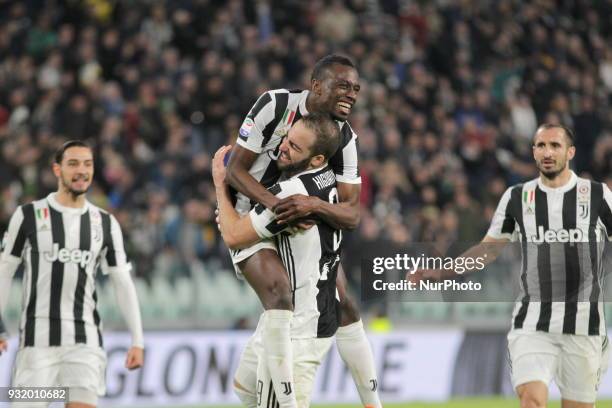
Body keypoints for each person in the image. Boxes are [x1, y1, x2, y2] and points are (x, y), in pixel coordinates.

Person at [412, 124, 612, 408]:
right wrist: (443, 272)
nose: (547, 152)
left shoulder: (596, 195)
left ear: (570, 152)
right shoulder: (517, 197)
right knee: (531, 401)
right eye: (540, 145)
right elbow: (488, 249)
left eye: (555, 145)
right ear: (533, 152)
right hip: (532, 323)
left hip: (584, 325)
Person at [226, 54, 380, 408]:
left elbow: (352, 212)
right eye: (343, 86)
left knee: (344, 302)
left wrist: (313, 207)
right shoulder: (274, 105)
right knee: (281, 293)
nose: (351, 94)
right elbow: (235, 169)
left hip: (298, 219)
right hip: (254, 216)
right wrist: (276, 206)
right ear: (316, 86)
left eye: (356, 88)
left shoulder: (344, 136)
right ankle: (288, 399)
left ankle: (372, 402)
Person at [0, 140, 144, 408]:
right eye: (73, 164)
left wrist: (137, 340)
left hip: (85, 341)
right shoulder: (28, 215)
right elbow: (4, 271)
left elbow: (122, 281)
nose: (82, 171)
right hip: (36, 342)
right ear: (57, 170)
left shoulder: (105, 223)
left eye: (87, 164)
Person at [216, 113, 343, 408]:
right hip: (304, 310)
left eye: (296, 148)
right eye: (288, 138)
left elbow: (234, 236)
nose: (283, 148)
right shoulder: (328, 177)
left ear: (316, 158)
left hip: (296, 327)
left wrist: (220, 185)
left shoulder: (292, 195)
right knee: (245, 386)